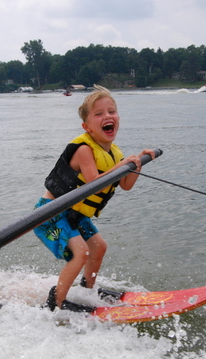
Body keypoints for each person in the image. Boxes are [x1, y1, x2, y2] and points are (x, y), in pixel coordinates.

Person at [34, 85, 156, 312]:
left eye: (111, 111)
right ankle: (56, 302)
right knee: (82, 252)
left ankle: (87, 291)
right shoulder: (84, 150)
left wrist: (137, 163)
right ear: (87, 127)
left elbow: (126, 185)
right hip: (50, 212)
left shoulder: (115, 153)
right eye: (98, 114)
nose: (107, 116)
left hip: (74, 214)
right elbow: (94, 186)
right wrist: (123, 166)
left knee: (99, 247)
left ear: (118, 118)